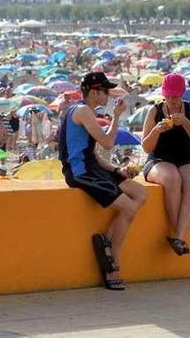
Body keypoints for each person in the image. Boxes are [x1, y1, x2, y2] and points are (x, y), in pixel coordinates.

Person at [59, 72, 146, 291]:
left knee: (140, 194)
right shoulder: (83, 111)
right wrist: (116, 116)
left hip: (93, 167)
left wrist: (117, 170)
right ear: (94, 92)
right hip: (82, 173)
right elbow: (107, 143)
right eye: (105, 91)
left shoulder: (81, 111)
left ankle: (106, 239)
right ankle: (112, 262)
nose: (107, 94)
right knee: (129, 208)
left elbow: (93, 153)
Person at [141, 73, 190, 256]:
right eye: (168, 96)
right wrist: (156, 131)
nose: (171, 100)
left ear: (183, 94)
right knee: (172, 179)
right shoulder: (155, 111)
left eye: (175, 96)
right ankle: (178, 234)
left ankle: (179, 236)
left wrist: (185, 122)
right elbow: (146, 147)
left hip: (184, 157)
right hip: (158, 158)